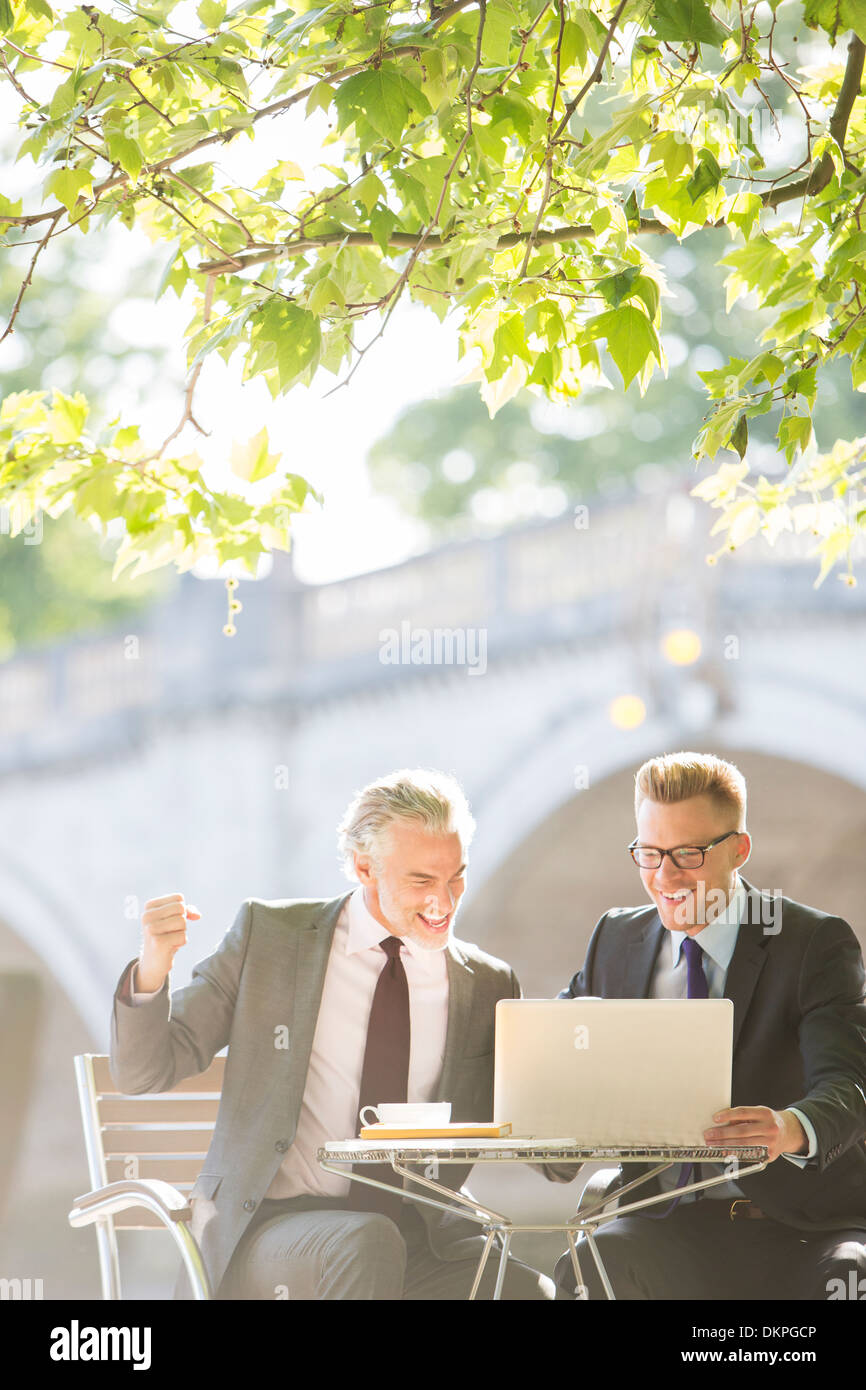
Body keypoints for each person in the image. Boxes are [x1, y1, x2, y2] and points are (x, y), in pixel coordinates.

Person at [110, 767, 554, 1300]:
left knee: (530, 1291)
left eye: (456, 876)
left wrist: (578, 1057)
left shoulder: (486, 982)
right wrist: (153, 969)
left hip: (421, 1235)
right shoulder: (270, 938)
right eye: (421, 881)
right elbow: (144, 1070)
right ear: (364, 867)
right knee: (366, 1242)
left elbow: (540, 1141)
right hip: (271, 1234)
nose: (444, 901)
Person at [551, 750, 866, 1301]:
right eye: (649, 853)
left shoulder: (813, 942)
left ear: (739, 849)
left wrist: (787, 1128)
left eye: (689, 854)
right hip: (663, 1222)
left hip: (798, 1226)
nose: (665, 876)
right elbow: (556, 1055)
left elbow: (849, 1086)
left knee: (850, 1278)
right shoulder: (615, 941)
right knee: (591, 1267)